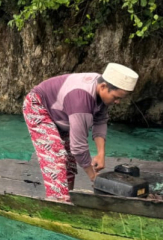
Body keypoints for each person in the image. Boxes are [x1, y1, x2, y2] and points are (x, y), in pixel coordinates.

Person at [22, 63, 138, 203]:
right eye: (115, 97)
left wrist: (101, 153)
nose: (117, 102)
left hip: (62, 113)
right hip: (38, 105)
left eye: (120, 98)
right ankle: (58, 202)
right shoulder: (81, 100)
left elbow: (100, 120)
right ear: (103, 87)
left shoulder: (102, 87)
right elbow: (78, 147)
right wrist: (94, 177)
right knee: (55, 155)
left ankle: (68, 197)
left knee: (69, 160)